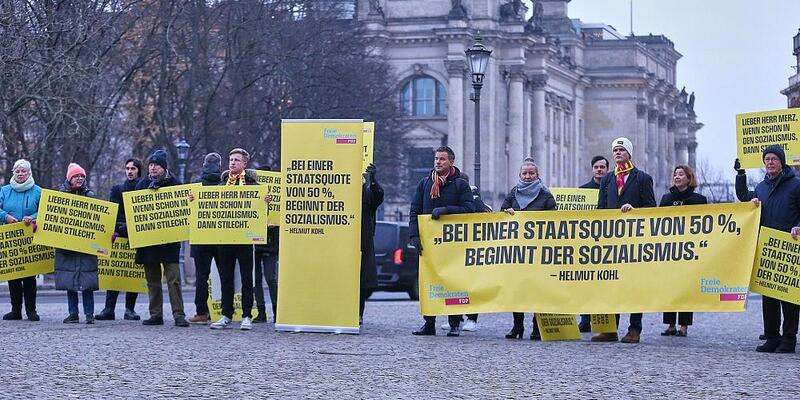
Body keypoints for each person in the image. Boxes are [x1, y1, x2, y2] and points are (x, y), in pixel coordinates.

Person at [735, 146, 800, 353]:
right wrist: (740, 174)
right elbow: (744, 196)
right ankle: (772, 337)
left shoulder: (796, 185)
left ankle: (789, 339)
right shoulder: (761, 187)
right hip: (766, 246)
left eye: (773, 159)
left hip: (788, 247)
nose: (770, 162)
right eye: (767, 159)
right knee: (768, 296)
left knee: (788, 297)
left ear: (782, 162)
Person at [592, 137, 656, 344]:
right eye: (615, 150)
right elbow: (601, 209)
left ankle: (634, 328)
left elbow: (651, 209)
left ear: (629, 153)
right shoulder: (608, 179)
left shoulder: (643, 178)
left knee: (634, 287)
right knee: (610, 285)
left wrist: (635, 211)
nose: (618, 153)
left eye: (621, 150)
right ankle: (609, 329)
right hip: (611, 241)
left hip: (634, 241)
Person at [409, 146, 475, 337]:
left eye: (442, 159)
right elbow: (415, 211)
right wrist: (414, 235)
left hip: (453, 245)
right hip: (429, 244)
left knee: (454, 282)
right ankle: (429, 322)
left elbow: (470, 210)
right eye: (436, 159)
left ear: (451, 162)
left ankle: (454, 323)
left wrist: (446, 210)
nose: (438, 162)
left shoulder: (460, 185)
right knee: (428, 283)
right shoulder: (424, 184)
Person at [501, 160, 557, 340]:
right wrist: (506, 212)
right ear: (520, 175)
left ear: (537, 175)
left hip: (539, 251)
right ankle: (517, 326)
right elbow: (501, 212)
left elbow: (555, 221)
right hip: (516, 252)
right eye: (524, 173)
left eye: (531, 173)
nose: (527, 176)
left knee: (537, 290)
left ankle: (536, 327)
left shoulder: (546, 195)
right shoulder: (513, 193)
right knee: (517, 289)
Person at [135, 149, 189, 327]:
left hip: (169, 243)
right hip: (148, 243)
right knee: (152, 281)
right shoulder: (141, 185)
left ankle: (178, 314)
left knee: (174, 279)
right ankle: (155, 314)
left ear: (164, 168)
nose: (153, 168)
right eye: (151, 165)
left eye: (156, 165)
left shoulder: (176, 185)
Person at [210, 148, 259, 330]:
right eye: (230, 159)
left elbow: (260, 213)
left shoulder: (253, 187)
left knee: (247, 278)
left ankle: (247, 315)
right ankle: (226, 314)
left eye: (237, 160)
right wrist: (195, 201)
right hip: (225, 239)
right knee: (226, 278)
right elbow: (210, 208)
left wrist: (266, 203)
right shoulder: (221, 186)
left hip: (245, 240)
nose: (232, 163)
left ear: (244, 164)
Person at [659, 165, 707, 337]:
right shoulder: (666, 199)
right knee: (670, 287)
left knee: (686, 288)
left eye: (681, 174)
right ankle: (670, 324)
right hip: (670, 250)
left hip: (690, 250)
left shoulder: (699, 200)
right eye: (675, 174)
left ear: (689, 178)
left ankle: (684, 326)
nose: (677, 177)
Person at [96, 158, 143, 321]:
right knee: (114, 272)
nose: (130, 171)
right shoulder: (117, 189)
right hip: (119, 236)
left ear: (139, 171)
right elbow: (114, 212)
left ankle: (130, 309)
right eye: (128, 168)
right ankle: (109, 309)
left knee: (133, 273)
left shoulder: (143, 189)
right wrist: (123, 227)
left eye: (133, 169)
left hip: (136, 237)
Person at [54, 163, 99, 324]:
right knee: (69, 281)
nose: (79, 178)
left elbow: (99, 220)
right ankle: (73, 313)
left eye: (82, 176)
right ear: (69, 178)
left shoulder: (91, 196)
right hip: (67, 247)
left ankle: (89, 314)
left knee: (88, 282)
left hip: (86, 246)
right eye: (76, 176)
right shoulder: (59, 197)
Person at [0, 159, 42, 321]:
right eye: (17, 171)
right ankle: (15, 310)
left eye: (23, 171)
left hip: (30, 238)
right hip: (10, 239)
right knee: (14, 275)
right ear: (13, 173)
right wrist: (6, 217)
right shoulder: (4, 191)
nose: (20, 174)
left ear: (29, 173)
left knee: (30, 276)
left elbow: (45, 210)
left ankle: (31, 310)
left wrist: (31, 217)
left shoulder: (38, 191)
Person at [188, 153, 222, 324]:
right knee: (225, 275)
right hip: (221, 239)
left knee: (201, 277)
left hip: (200, 239)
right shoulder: (225, 184)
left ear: (203, 165)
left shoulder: (195, 185)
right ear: (220, 166)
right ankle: (225, 312)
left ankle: (201, 312)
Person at [577, 155, 609, 332]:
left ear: (607, 169)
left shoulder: (613, 188)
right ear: (592, 169)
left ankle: (603, 319)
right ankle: (585, 318)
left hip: (606, 241)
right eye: (596, 167)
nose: (599, 169)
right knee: (586, 283)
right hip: (587, 242)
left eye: (602, 167)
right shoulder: (583, 190)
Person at [359, 163, 384, 324]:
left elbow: (377, 197)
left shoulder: (366, 193)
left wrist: (373, 180)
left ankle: (358, 314)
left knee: (359, 282)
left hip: (361, 243)